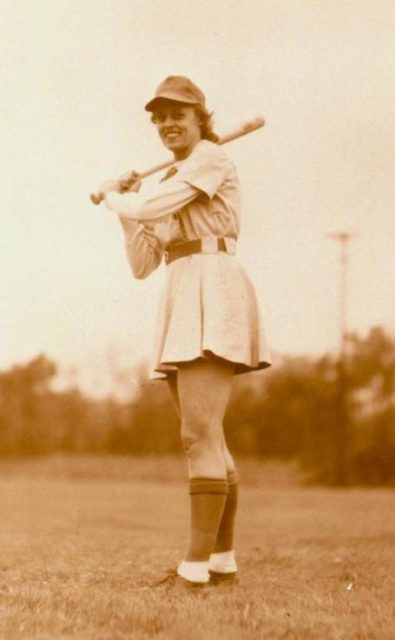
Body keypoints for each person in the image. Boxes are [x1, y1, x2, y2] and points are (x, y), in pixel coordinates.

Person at [99, 76, 271, 592]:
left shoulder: (211, 159)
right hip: (181, 288)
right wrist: (125, 211)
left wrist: (114, 197)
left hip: (213, 285)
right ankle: (221, 565)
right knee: (206, 435)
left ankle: (192, 573)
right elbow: (142, 263)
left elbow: (149, 208)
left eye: (178, 114)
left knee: (198, 435)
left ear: (201, 119)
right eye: (160, 118)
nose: (168, 124)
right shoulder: (173, 180)